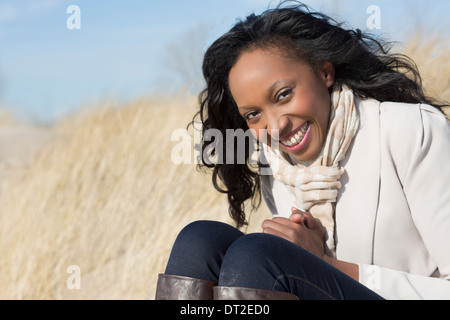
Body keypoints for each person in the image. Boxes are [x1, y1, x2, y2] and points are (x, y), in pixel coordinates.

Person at [155, 2, 450, 300]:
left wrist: (326, 264)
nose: (275, 126)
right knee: (201, 241)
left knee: (257, 256)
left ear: (324, 72)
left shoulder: (411, 130)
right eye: (253, 115)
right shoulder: (277, 167)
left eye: (284, 95)